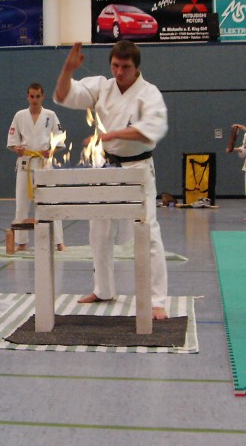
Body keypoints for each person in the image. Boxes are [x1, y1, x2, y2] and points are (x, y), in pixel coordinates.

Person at [54, 41, 169, 320]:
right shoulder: (101, 87)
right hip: (106, 165)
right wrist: (68, 70)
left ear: (136, 67)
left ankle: (156, 300)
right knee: (99, 231)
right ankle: (103, 289)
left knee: (147, 232)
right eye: (115, 66)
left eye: (125, 67)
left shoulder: (149, 93)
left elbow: (148, 131)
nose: (119, 72)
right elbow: (63, 94)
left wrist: (109, 134)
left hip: (138, 166)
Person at [7, 83, 67, 251]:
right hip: (25, 164)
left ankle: (58, 242)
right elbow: (12, 141)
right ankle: (22, 242)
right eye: (32, 96)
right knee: (21, 204)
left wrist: (51, 150)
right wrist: (16, 149)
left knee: (51, 202)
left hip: (43, 163)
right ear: (27, 96)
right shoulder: (20, 115)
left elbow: (59, 139)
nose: (34, 100)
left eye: (37, 96)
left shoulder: (50, 115)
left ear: (43, 96)